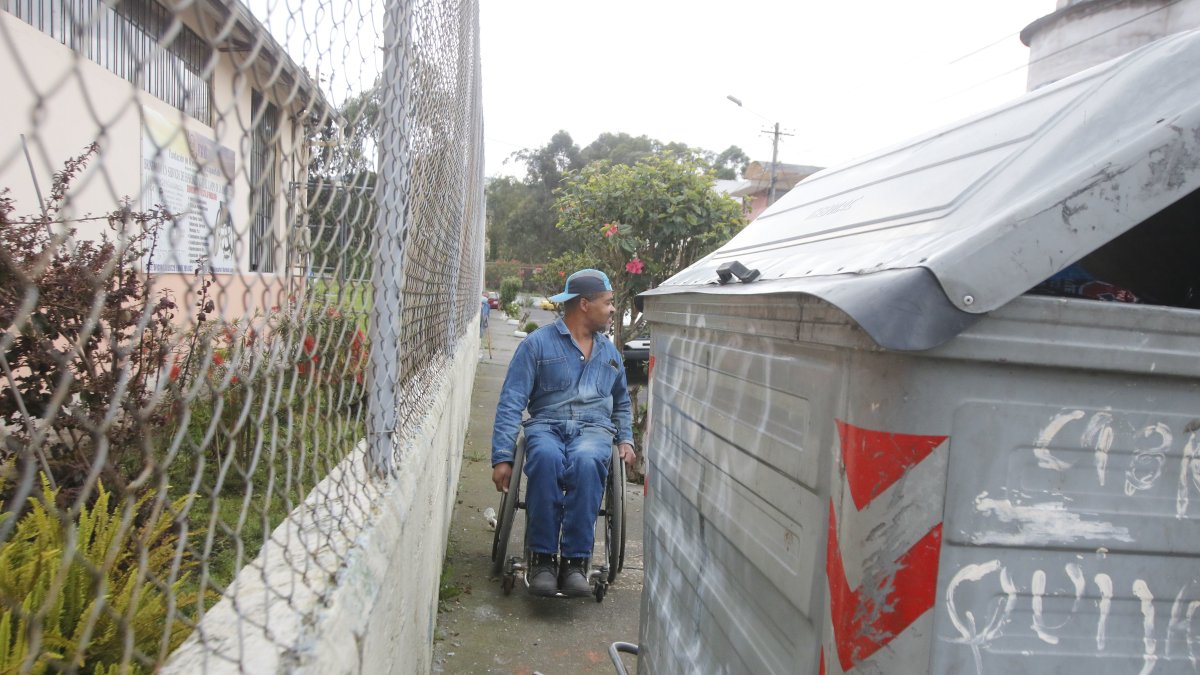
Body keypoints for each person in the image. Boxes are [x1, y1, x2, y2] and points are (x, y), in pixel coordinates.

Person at [491, 268, 636, 596]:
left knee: (587, 460)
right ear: (585, 304)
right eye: (608, 302)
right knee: (544, 457)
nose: (613, 309)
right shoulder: (536, 345)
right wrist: (502, 456)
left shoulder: (610, 355)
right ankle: (542, 559)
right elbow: (512, 401)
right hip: (547, 426)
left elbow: (621, 404)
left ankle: (574, 562)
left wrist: (625, 438)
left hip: (594, 430)